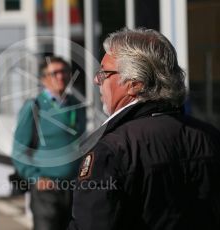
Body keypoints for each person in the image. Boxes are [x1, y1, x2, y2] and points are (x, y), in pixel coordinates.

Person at [68, 28, 220, 230]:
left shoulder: (112, 150)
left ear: (134, 85)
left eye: (104, 73)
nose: (97, 80)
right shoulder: (210, 137)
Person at [12, 56, 86, 230]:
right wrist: (36, 178)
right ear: (43, 79)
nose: (60, 77)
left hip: (74, 189)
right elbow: (19, 150)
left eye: (64, 72)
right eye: (54, 73)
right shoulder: (34, 106)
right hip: (46, 190)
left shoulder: (77, 105)